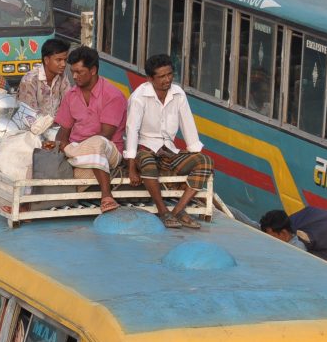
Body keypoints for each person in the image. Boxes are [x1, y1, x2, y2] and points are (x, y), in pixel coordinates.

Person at [125, 54, 213, 229]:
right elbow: (132, 131)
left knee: (205, 162)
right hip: (145, 148)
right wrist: (131, 168)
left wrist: (193, 157)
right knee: (148, 163)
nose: (167, 80)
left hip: (169, 150)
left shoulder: (178, 93)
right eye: (162, 76)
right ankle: (163, 211)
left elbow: (188, 126)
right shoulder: (138, 97)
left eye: (170, 74)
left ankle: (178, 211)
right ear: (150, 79)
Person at [54, 46, 127, 213]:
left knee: (96, 143)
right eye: (72, 71)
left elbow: (105, 135)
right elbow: (63, 132)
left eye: (79, 72)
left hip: (109, 150)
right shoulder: (71, 95)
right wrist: (58, 146)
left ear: (93, 70)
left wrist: (70, 149)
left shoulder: (113, 95)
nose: (74, 76)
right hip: (77, 150)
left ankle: (106, 196)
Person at [17, 38, 72, 117]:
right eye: (59, 60)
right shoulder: (30, 80)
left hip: (57, 126)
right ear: (46, 60)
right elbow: (28, 115)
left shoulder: (62, 76)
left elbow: (68, 103)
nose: (63, 64)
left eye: (65, 60)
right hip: (33, 127)